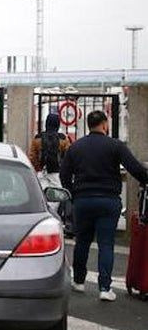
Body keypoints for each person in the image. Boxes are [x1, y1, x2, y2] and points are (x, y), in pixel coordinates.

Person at [59, 110, 148, 301]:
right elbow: (135, 168)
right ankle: (105, 288)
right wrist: (146, 180)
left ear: (89, 125)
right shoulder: (115, 145)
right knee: (106, 243)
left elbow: (64, 174)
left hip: (83, 200)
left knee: (82, 240)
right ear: (105, 124)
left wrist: (74, 192)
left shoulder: (76, 147)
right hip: (108, 201)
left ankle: (80, 281)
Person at [28, 112, 69, 187]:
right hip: (57, 175)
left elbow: (32, 157)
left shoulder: (38, 139)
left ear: (46, 123)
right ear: (58, 124)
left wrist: (39, 168)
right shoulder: (63, 139)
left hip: (41, 173)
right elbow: (68, 158)